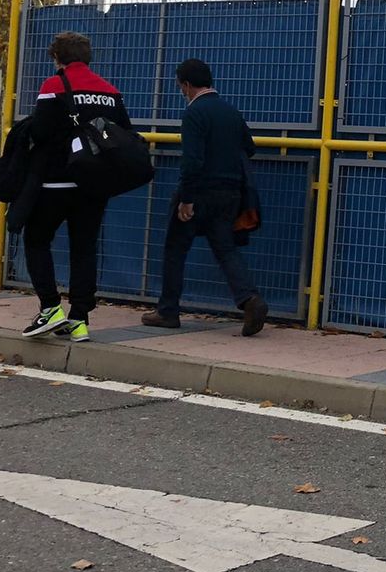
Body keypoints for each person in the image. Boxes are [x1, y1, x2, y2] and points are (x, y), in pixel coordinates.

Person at [19, 31, 132, 343]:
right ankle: (79, 319)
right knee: (84, 248)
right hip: (93, 186)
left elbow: (39, 132)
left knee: (37, 240)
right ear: (87, 56)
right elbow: (124, 134)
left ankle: (50, 307)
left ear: (58, 58)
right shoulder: (111, 92)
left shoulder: (54, 86)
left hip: (56, 181)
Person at [142, 58, 268, 335]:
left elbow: (192, 161)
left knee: (175, 249)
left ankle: (168, 311)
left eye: (181, 87)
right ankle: (250, 299)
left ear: (186, 85)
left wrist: (187, 199)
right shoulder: (231, 112)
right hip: (230, 193)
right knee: (225, 248)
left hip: (199, 192)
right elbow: (249, 147)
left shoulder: (194, 113)